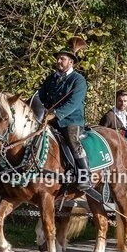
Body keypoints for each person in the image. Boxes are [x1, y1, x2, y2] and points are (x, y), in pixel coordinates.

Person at [38, 36, 90, 191]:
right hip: (50, 118)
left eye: (62, 59)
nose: (58, 61)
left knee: (72, 140)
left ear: (71, 62)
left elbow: (73, 104)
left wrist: (55, 114)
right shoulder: (51, 78)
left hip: (71, 120)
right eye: (58, 59)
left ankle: (84, 175)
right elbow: (41, 96)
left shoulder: (79, 80)